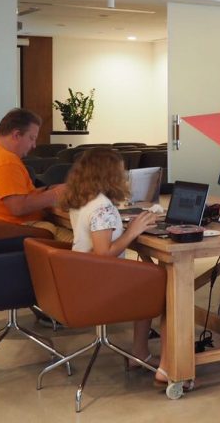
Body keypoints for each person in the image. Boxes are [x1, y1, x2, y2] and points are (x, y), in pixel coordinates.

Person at [59, 148, 166, 379]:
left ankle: (141, 352)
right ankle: (157, 358)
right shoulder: (102, 207)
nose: (125, 175)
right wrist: (132, 232)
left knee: (147, 275)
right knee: (157, 281)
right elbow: (104, 255)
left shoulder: (82, 200)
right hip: (98, 283)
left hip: (78, 277)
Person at [0, 108, 70, 241]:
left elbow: (18, 196)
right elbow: (18, 207)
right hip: (5, 234)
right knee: (86, 241)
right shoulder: (5, 161)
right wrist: (57, 193)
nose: (34, 145)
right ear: (16, 135)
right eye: (32, 138)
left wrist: (46, 191)